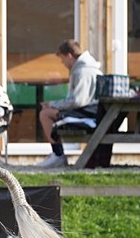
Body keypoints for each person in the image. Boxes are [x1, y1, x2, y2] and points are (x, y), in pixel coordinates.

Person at [37, 39, 102, 168]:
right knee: (48, 111)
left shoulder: (83, 71)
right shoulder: (86, 68)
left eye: (62, 59)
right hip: (92, 111)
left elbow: (78, 101)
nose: (63, 63)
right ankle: (57, 154)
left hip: (88, 114)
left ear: (69, 56)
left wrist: (53, 104)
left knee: (45, 114)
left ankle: (58, 155)